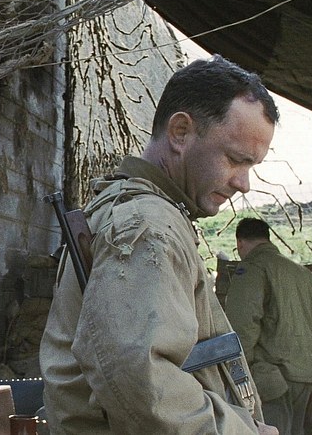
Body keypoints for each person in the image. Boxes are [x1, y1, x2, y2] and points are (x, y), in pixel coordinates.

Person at [39, 55, 281, 434]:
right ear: (180, 132)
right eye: (236, 160)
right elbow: (143, 385)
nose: (243, 183)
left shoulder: (144, 213)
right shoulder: (148, 226)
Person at [224, 218, 312, 435]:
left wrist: (238, 366)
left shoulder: (253, 267)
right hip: (307, 371)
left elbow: (242, 323)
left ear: (240, 243)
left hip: (273, 373)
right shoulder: (302, 273)